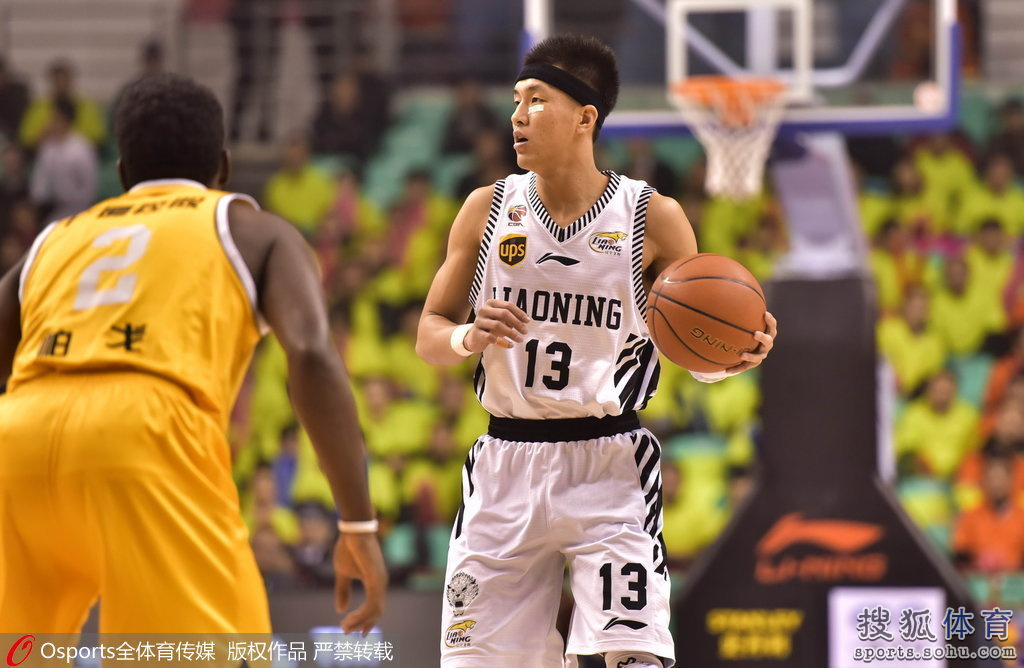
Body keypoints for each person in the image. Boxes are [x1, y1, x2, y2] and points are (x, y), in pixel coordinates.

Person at [416, 34, 776, 668]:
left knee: (632, 657)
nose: (517, 116)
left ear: (585, 117)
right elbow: (429, 334)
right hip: (505, 465)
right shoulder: (486, 209)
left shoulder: (650, 217)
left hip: (609, 465)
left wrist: (729, 359)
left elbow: (693, 343)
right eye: (516, 100)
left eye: (536, 100)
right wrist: (467, 337)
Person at [0, 73, 386, 633]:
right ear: (223, 169)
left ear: (122, 175)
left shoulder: (52, 239)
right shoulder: (250, 229)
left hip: (18, 439)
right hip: (148, 434)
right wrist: (357, 523)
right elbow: (310, 354)